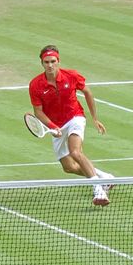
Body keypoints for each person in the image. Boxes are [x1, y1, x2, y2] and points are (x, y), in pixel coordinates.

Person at [29, 45, 114, 206]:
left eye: (53, 61)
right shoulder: (35, 85)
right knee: (68, 167)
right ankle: (105, 178)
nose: (50, 65)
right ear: (42, 63)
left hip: (75, 117)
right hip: (56, 125)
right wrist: (52, 126)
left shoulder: (71, 76)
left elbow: (87, 92)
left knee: (75, 152)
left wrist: (94, 118)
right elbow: (38, 112)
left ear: (58, 61)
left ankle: (98, 190)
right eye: (46, 62)